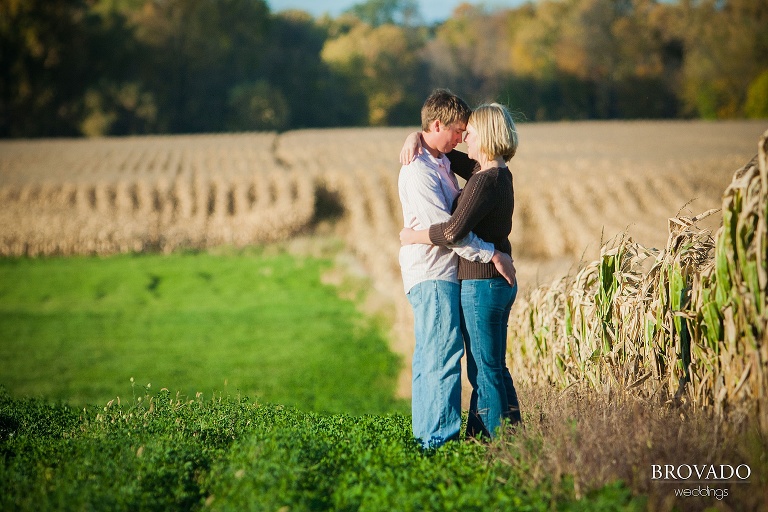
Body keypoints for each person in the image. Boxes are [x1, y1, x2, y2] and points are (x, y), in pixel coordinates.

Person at [398, 89, 516, 449]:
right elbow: (450, 235)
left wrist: (413, 235)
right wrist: (492, 254)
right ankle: (439, 442)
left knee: (457, 360)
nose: (463, 138)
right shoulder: (423, 169)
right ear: (437, 125)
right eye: (458, 131)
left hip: (461, 276)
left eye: (470, 132)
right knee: (444, 357)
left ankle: (467, 441)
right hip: (435, 274)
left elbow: (451, 230)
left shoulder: (458, 167)